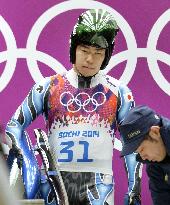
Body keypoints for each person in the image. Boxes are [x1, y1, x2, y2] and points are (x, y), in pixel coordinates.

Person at [6, 9, 142, 205]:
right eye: (85, 50)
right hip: (54, 181)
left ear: (107, 55)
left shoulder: (120, 93)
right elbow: (14, 125)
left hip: (98, 185)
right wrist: (25, 159)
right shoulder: (47, 87)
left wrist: (134, 188)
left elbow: (133, 142)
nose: (90, 59)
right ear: (73, 47)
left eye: (98, 53)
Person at [119, 105, 170, 205]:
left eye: (142, 149)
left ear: (155, 132)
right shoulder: (153, 165)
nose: (142, 157)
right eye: (138, 152)